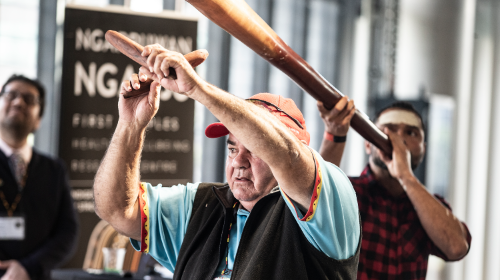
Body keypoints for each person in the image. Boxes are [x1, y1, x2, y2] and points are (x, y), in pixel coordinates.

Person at [93, 45, 361, 280]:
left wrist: (198, 88)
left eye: (255, 149)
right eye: (233, 149)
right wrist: (130, 126)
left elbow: (288, 157)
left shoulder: (328, 205)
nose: (239, 163)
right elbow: (117, 210)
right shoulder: (201, 207)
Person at [317, 97, 471, 280]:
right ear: (368, 144)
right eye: (387, 129)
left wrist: (405, 176)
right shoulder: (348, 191)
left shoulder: (428, 207)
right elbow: (313, 200)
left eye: (411, 133)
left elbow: (457, 247)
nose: (398, 140)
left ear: (423, 149)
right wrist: (334, 133)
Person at [0, 75, 78, 280]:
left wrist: (27, 268)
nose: (18, 102)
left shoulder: (54, 170)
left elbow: (67, 233)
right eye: (11, 95)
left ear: (39, 119)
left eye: (29, 99)